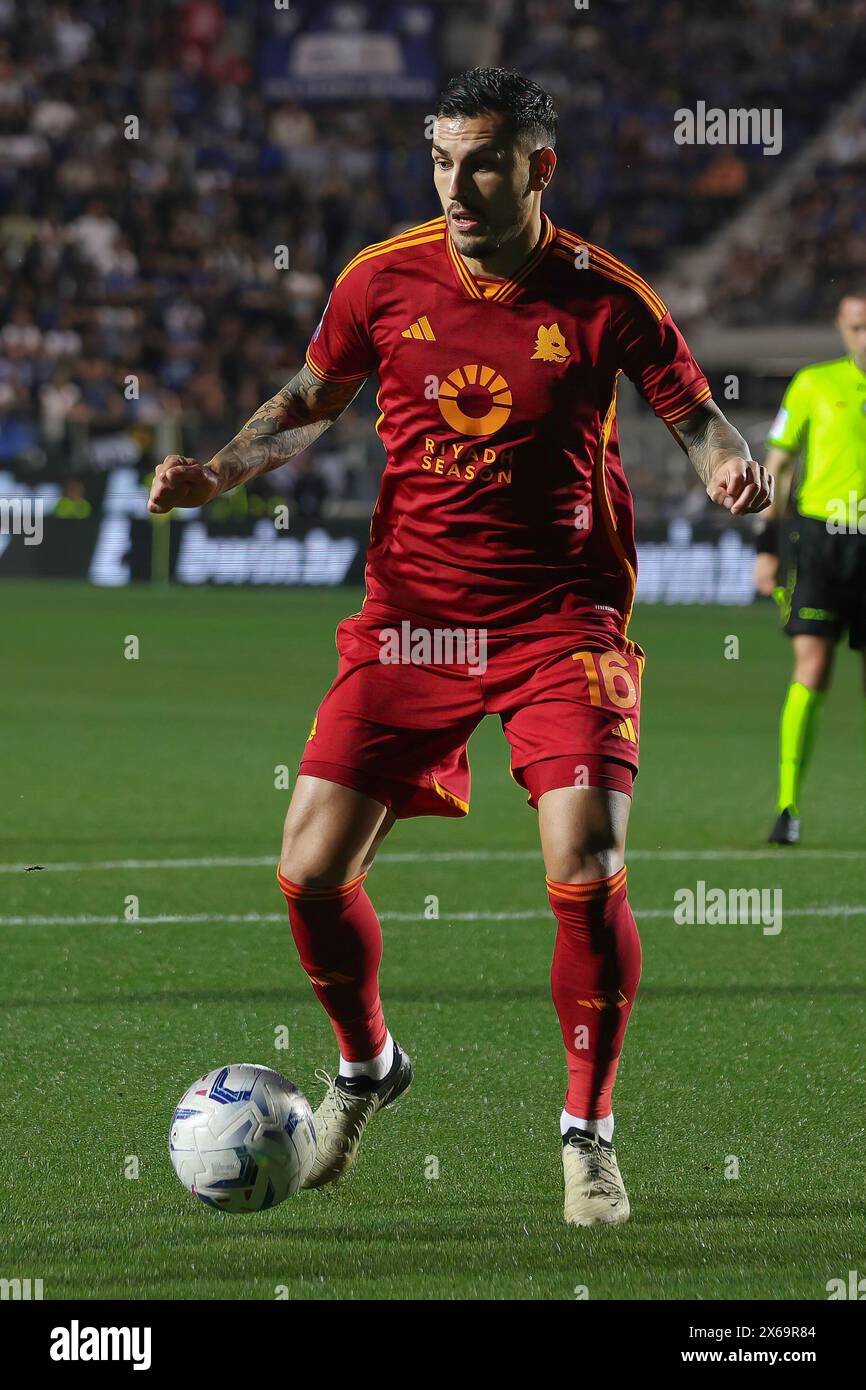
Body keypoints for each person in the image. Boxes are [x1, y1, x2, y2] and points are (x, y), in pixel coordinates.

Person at [148, 68, 772, 1226]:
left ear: (538, 168)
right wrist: (217, 471)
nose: (455, 184)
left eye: (480, 160)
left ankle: (585, 1130)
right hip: (410, 622)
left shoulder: (603, 294)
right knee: (308, 872)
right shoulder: (379, 279)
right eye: (439, 159)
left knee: (582, 859)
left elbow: (692, 415)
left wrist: (726, 467)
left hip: (558, 622)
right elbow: (306, 399)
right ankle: (367, 1064)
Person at [755, 295, 866, 845]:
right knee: (813, 668)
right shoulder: (814, 385)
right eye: (857, 327)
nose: (865, 337)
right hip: (822, 542)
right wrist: (766, 547)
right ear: (842, 328)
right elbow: (777, 464)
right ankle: (787, 806)